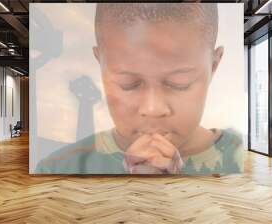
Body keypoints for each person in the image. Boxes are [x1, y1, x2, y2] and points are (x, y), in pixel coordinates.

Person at [35, 3, 244, 175]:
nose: (152, 109)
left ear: (214, 65)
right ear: (101, 63)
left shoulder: (243, 160)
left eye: (179, 83)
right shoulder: (57, 168)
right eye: (128, 84)